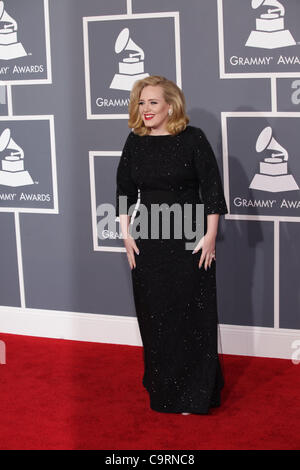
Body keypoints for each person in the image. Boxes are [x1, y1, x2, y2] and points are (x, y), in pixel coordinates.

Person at [116, 75, 228, 415]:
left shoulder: (193, 139)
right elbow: (123, 190)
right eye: (141, 102)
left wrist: (210, 236)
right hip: (148, 239)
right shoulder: (135, 141)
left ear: (170, 105)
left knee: (191, 315)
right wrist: (125, 232)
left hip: (190, 239)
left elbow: (211, 190)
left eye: (152, 102)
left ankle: (196, 392)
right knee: (154, 316)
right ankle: (164, 388)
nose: (146, 109)